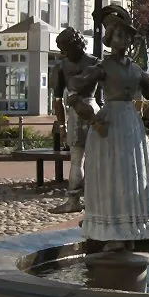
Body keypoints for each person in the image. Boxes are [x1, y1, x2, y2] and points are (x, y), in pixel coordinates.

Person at [69, 4, 149, 251]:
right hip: (108, 125)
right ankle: (109, 230)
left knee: (131, 175)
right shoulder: (102, 67)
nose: (124, 40)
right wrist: (92, 119)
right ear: (109, 38)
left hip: (131, 126)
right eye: (119, 35)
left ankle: (130, 228)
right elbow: (74, 94)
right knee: (110, 175)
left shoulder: (136, 70)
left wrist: (148, 118)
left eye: (128, 36)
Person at [49, 27, 97, 214]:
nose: (64, 53)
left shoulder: (62, 66)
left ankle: (73, 200)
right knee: (92, 160)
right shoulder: (95, 63)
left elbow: (58, 100)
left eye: (66, 49)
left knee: (77, 160)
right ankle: (92, 199)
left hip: (77, 111)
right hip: (93, 109)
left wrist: (62, 126)